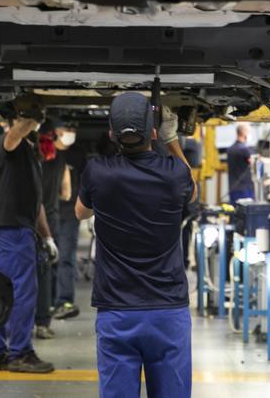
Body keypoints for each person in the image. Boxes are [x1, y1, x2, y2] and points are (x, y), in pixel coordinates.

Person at [76, 93, 194, 398]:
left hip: (117, 312)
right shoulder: (174, 175)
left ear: (112, 134)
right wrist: (172, 139)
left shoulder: (98, 172)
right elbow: (189, 191)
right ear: (153, 132)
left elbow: (80, 212)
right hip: (168, 312)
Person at [0, 105, 58, 374]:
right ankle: (20, 353)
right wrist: (32, 116)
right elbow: (13, 136)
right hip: (12, 232)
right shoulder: (7, 147)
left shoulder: (29, 157)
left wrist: (47, 237)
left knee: (4, 293)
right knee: (22, 295)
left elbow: (36, 204)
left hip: (18, 231)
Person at [34, 119, 66, 339]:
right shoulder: (60, 159)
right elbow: (66, 191)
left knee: (25, 273)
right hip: (51, 218)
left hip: (28, 217)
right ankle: (43, 322)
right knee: (47, 271)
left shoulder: (30, 157)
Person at [52, 124, 84, 320]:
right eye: (66, 129)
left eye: (73, 128)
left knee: (65, 256)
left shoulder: (77, 154)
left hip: (70, 212)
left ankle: (64, 301)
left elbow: (85, 181)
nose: (70, 132)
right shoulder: (46, 153)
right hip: (49, 211)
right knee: (49, 259)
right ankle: (48, 301)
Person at [227, 123, 255, 203]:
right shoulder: (245, 150)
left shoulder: (230, 149)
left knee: (235, 213)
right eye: (249, 132)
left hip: (233, 188)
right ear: (244, 133)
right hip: (244, 190)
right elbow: (255, 160)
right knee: (246, 213)